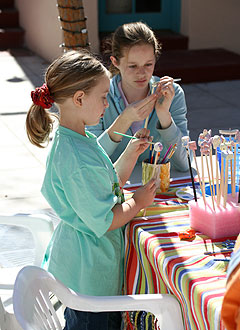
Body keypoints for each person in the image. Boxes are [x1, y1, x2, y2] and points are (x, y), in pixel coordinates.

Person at [26, 50, 156, 330]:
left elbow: (106, 187)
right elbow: (107, 219)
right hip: (90, 282)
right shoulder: (75, 157)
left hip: (89, 272)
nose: (106, 104)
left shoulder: (79, 138)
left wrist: (132, 151)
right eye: (103, 97)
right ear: (79, 98)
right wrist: (138, 201)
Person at [87, 21, 190, 172]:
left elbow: (184, 164)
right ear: (115, 62)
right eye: (133, 66)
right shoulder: (99, 94)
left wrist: (164, 116)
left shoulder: (172, 93)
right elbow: (91, 160)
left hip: (157, 187)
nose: (142, 73)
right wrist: (124, 119)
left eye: (148, 64)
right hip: (115, 187)